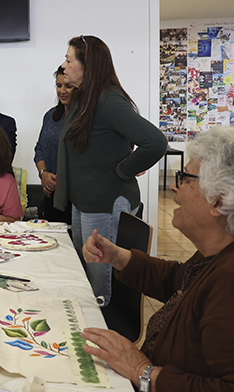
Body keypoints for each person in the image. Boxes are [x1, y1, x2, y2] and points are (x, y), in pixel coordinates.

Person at [80, 126, 234, 392]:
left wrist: (143, 372)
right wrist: (117, 256)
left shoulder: (229, 280)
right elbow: (176, 280)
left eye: (185, 179)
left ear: (219, 201)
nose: (174, 187)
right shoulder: (212, 257)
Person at [54, 35, 167, 306]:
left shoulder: (108, 100)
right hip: (84, 201)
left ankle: (103, 328)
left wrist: (124, 170)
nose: (64, 65)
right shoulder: (83, 98)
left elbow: (155, 142)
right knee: (85, 276)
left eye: (69, 60)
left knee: (99, 285)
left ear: (88, 65)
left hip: (104, 204)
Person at [34, 66, 74, 223]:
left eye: (68, 86)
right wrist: (43, 174)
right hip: (51, 193)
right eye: (58, 85)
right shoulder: (50, 116)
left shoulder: (85, 118)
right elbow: (39, 149)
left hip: (75, 196)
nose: (62, 91)